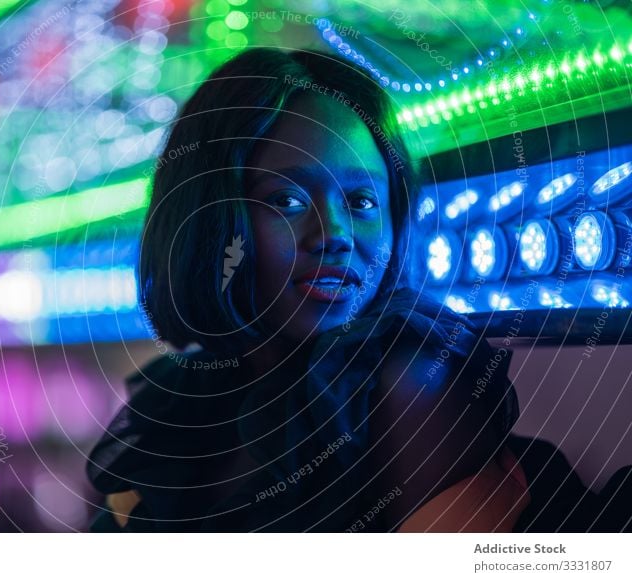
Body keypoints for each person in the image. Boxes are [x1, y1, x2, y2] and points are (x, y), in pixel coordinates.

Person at [85, 48, 623, 532]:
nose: (335, 236)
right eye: (288, 200)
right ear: (207, 217)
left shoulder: (407, 378)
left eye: (362, 202)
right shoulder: (187, 398)